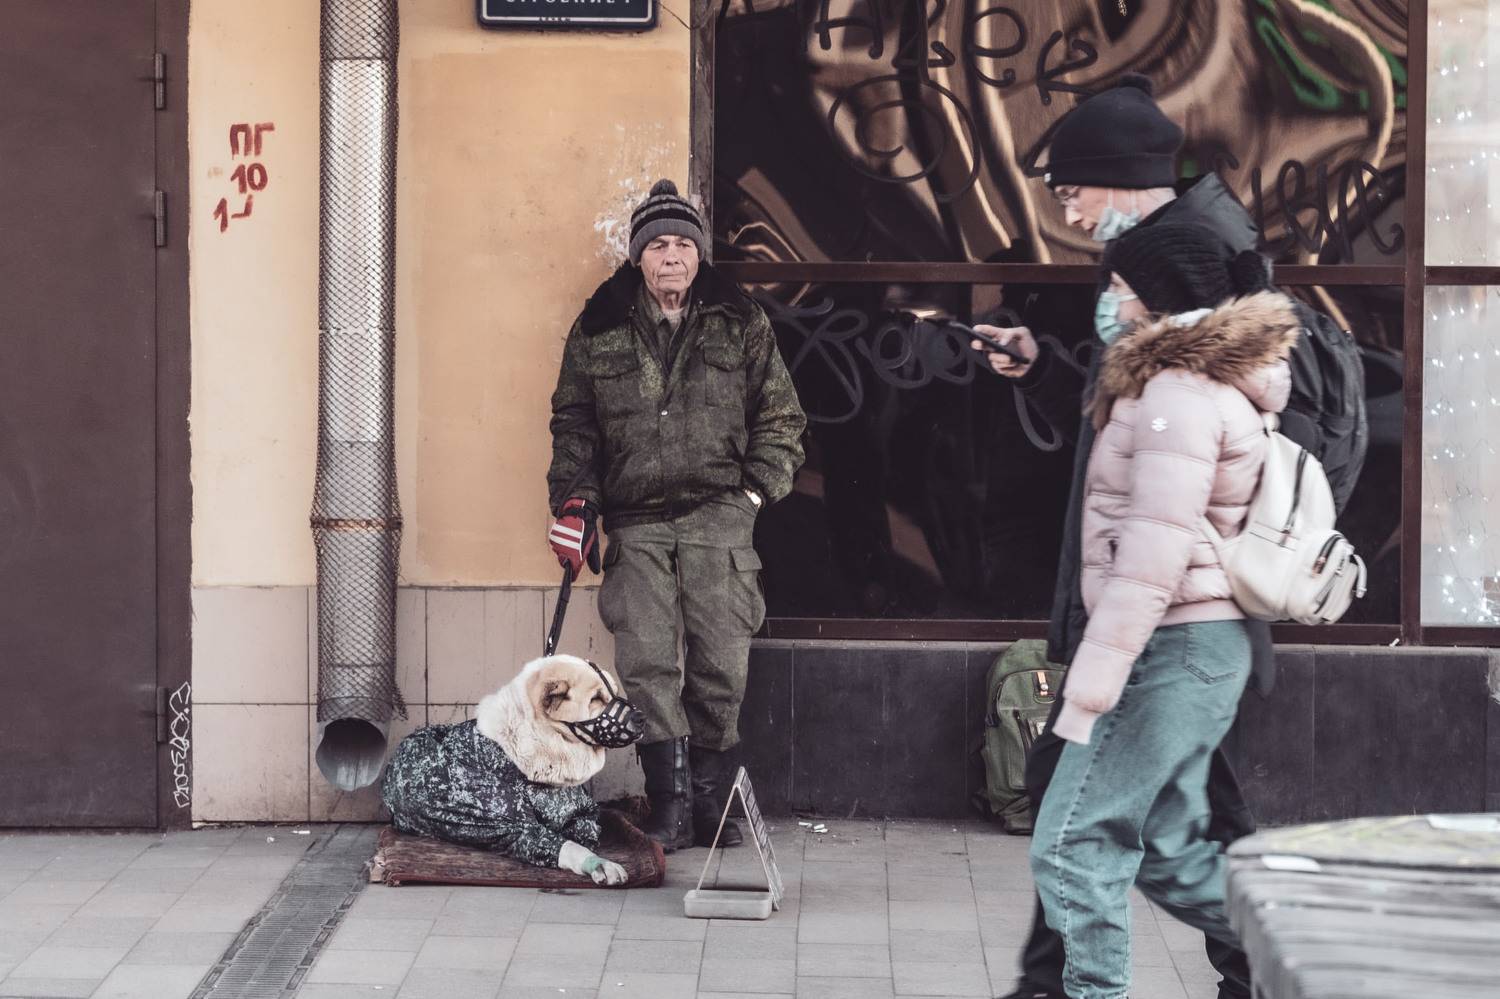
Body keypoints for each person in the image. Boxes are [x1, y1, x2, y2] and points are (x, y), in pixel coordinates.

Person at [977, 74, 1262, 999]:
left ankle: (1078, 983)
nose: (1066, 213)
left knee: (1078, 831)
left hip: (1167, 625)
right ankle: (1271, 956)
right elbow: (1130, 439)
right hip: (1173, 625)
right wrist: (1042, 368)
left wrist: (1097, 664)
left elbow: (1165, 513)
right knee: (1154, 834)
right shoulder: (1163, 318)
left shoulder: (1193, 268)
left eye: (1071, 191)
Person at [1029, 223, 1297, 999]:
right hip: (1196, 644)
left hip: (1172, 643)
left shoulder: (1176, 391)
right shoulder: (1187, 382)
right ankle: (1311, 947)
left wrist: (1093, 678)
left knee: (1073, 843)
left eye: (1119, 287)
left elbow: (1154, 552)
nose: (1109, 302)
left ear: (1159, 296)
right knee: (1172, 856)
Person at [546, 179, 807, 852]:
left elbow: (782, 418)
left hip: (719, 516)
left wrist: (754, 495)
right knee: (648, 663)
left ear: (698, 255)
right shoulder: (599, 326)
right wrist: (574, 500)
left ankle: (710, 803)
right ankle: (670, 805)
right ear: (639, 257)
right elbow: (574, 424)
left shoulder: (739, 320)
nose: (671, 257)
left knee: (722, 662)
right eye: (658, 245)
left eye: (683, 245)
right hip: (635, 521)